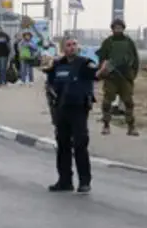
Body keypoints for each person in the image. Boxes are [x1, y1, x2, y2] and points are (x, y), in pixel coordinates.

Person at [43, 37, 97, 194]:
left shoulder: (85, 63)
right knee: (62, 145)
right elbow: (50, 83)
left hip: (79, 109)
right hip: (61, 109)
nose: (72, 47)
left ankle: (84, 182)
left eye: (74, 44)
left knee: (80, 144)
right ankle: (65, 181)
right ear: (63, 48)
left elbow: (97, 75)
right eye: (68, 45)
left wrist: (105, 70)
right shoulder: (58, 65)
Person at [96, 18, 140, 136]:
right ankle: (106, 125)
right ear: (112, 28)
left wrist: (132, 75)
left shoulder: (129, 42)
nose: (118, 29)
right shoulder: (108, 42)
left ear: (123, 28)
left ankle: (131, 127)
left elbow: (135, 60)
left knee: (128, 103)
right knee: (107, 102)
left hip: (125, 77)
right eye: (116, 27)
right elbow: (101, 59)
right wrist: (103, 71)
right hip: (111, 77)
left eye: (120, 27)